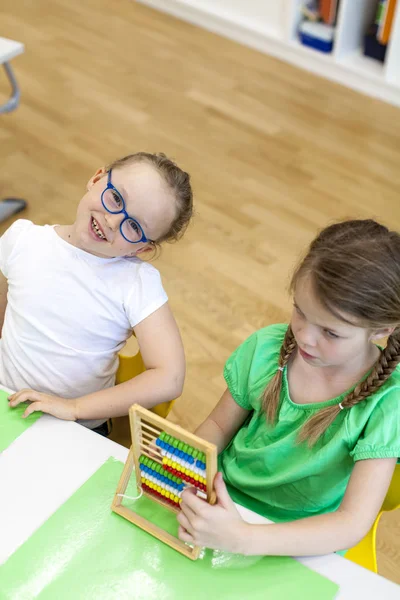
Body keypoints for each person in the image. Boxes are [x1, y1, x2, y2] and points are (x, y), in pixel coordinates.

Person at [177, 219, 400, 556]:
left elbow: (351, 522)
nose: (305, 337)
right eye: (300, 310)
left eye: (331, 332)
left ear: (381, 329)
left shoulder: (388, 402)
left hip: (302, 543)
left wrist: (243, 538)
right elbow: (218, 426)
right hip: (221, 508)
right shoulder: (266, 349)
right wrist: (186, 468)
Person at [2, 151, 193, 433]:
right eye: (116, 198)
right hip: (6, 403)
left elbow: (170, 377)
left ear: (142, 249)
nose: (113, 221)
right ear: (97, 178)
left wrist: (75, 408)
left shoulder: (137, 283)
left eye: (134, 227)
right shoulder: (22, 239)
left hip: (76, 428)